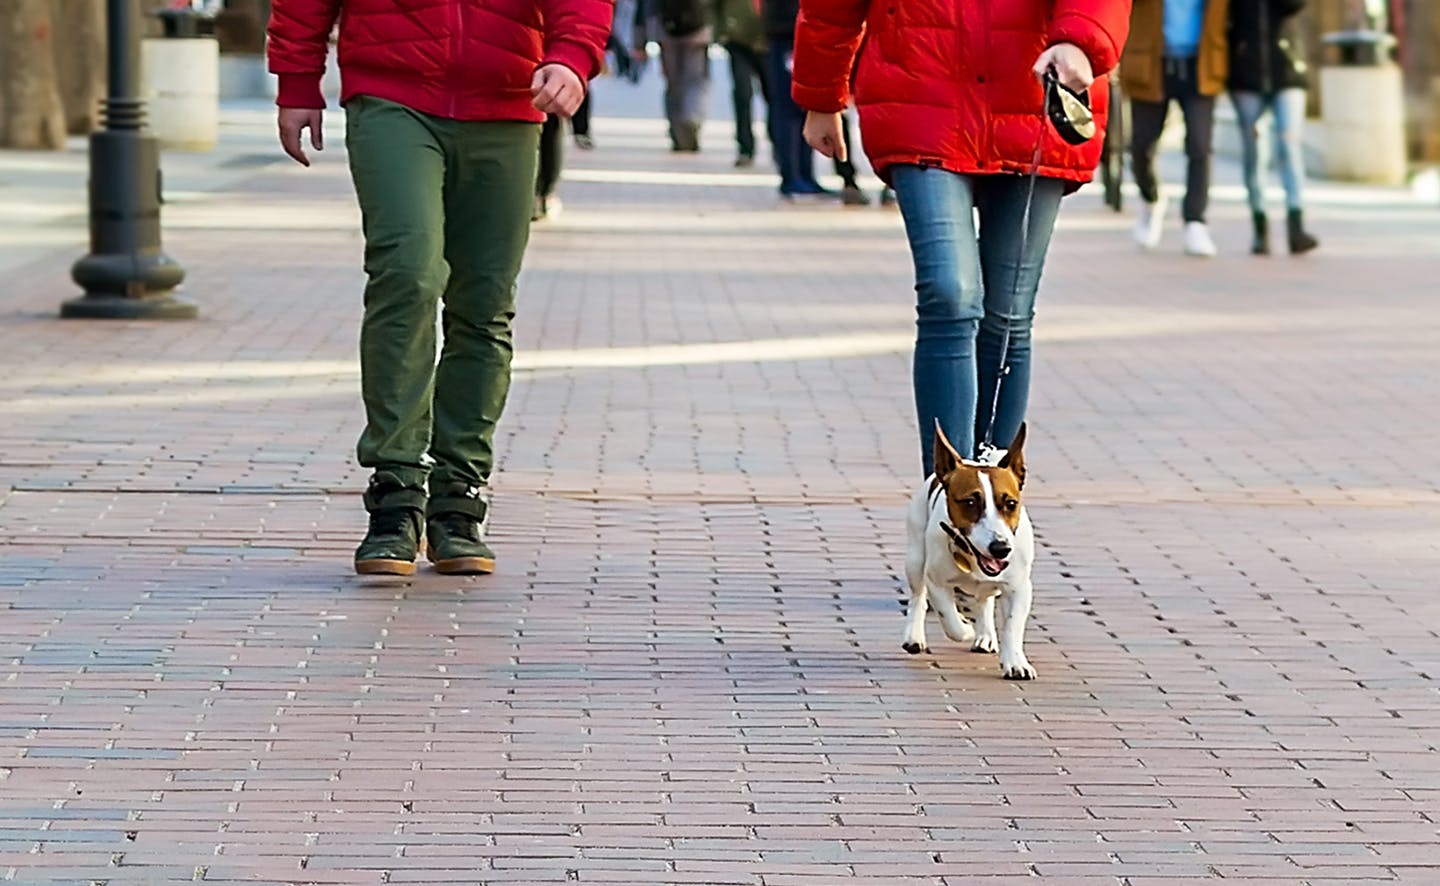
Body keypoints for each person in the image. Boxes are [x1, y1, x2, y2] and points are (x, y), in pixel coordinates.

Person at [267, 0, 611, 576]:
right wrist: (298, 80)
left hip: (506, 102)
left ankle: (460, 496)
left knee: (484, 301)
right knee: (407, 274)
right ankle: (396, 490)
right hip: (392, 96)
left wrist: (573, 57)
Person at [792, 0, 1130, 476]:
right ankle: (947, 494)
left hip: (1031, 99)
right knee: (950, 294)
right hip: (919, 96)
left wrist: (1080, 39)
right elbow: (829, 9)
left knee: (1008, 313)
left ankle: (994, 489)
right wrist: (821, 96)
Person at [1122, 0, 1229, 257]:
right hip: (1151, 62)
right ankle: (1151, 199)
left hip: (1202, 64)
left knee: (1200, 146)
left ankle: (1195, 221)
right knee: (1141, 145)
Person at [1227, 0, 1318, 255]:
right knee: (1254, 151)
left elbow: (1295, 5)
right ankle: (1260, 226)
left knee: (1289, 144)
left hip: (1286, 69)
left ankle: (1296, 225)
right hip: (1246, 74)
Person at [763, 0, 830, 199]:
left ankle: (806, 174)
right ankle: (791, 176)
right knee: (789, 107)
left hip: (801, 30)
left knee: (804, 107)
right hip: (787, 32)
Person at [648, 0, 713, 151]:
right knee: (695, 80)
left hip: (666, 29)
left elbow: (649, 5)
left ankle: (678, 132)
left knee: (674, 84)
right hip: (698, 28)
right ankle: (691, 117)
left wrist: (643, 35)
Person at [715, 0, 771, 167]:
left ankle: (780, 143)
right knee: (742, 94)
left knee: (774, 96)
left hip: (770, 41)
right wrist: (720, 32)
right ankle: (745, 147)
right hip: (738, 41)